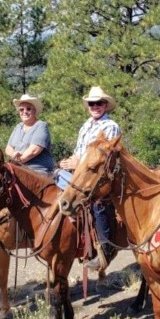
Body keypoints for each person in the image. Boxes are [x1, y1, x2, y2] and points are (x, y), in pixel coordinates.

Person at [58, 86, 121, 271]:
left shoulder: (110, 126)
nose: (95, 106)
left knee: (98, 202)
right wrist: (70, 161)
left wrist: (77, 164)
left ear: (106, 106)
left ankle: (105, 249)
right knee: (55, 181)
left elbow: (102, 159)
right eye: (92, 104)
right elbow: (79, 152)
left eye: (99, 103)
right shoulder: (86, 125)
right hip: (81, 172)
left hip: (99, 176)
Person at [6, 93, 55, 175]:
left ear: (34, 111)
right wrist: (13, 154)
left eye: (28, 109)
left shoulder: (41, 126)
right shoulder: (18, 127)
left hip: (37, 171)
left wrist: (17, 161)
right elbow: (8, 148)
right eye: (21, 109)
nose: (24, 112)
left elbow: (33, 151)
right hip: (18, 168)